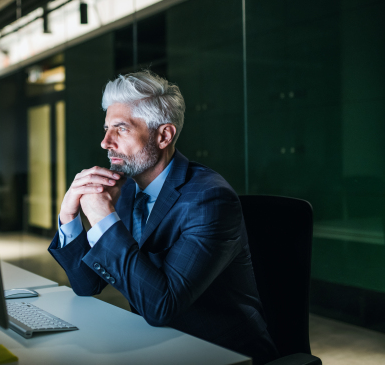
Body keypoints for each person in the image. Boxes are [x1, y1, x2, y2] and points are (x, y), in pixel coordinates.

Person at [48, 70, 279, 364]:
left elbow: (161, 306)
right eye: (106, 128)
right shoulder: (128, 189)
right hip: (157, 345)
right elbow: (86, 285)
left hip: (222, 354)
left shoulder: (210, 200)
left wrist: (104, 219)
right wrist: (69, 216)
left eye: (120, 128)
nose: (106, 142)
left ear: (163, 135)